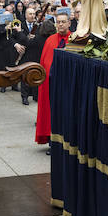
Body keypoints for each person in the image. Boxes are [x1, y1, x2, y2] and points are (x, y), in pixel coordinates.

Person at [34, 9, 73, 144]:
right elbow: (44, 62)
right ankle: (52, 141)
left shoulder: (75, 40)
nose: (60, 25)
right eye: (58, 22)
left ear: (69, 23)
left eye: (63, 22)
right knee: (51, 113)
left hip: (67, 85)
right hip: (51, 84)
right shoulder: (50, 40)